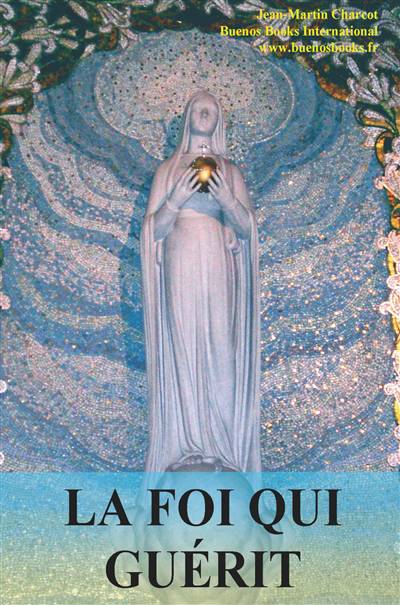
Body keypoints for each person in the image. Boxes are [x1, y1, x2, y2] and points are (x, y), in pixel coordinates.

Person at [140, 90, 260, 471]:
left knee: (220, 347)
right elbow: (153, 229)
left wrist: (227, 201)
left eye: (212, 109)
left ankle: (221, 448)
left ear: (220, 120)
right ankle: (188, 445)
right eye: (199, 108)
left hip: (218, 262)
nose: (205, 113)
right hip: (180, 258)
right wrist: (175, 199)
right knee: (183, 344)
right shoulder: (168, 170)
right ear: (188, 117)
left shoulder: (230, 170)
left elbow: (247, 228)